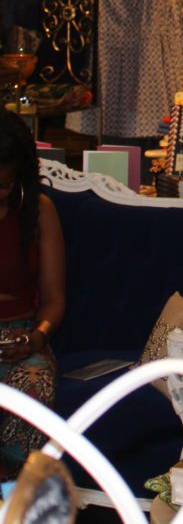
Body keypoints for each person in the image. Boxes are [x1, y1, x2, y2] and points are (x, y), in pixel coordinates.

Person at [0, 109, 65, 478]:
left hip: (21, 338)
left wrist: (36, 337)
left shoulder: (39, 212)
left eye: (3, 185)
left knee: (34, 386)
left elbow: (54, 300)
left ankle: (18, 493)